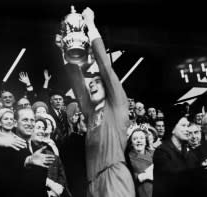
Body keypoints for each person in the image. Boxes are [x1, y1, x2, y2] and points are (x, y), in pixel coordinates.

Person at [61, 7, 135, 197]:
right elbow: (78, 85)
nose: (92, 85)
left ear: (107, 88)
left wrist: (91, 25)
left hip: (115, 176)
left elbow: (105, 67)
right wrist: (65, 49)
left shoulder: (117, 105)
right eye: (90, 83)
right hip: (93, 184)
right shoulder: (90, 112)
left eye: (97, 82)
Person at [152, 116, 203, 197]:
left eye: (187, 125)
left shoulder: (188, 151)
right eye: (183, 125)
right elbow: (174, 180)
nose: (187, 129)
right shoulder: (161, 152)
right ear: (173, 129)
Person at [127, 128, 154, 197]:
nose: (138, 141)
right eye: (135, 139)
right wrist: (142, 176)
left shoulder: (154, 154)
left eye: (141, 138)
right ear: (131, 143)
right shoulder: (128, 158)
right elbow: (127, 178)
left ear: (145, 142)